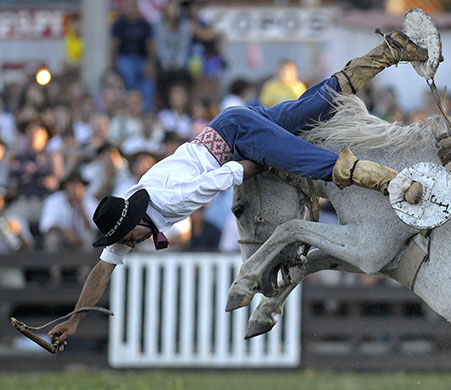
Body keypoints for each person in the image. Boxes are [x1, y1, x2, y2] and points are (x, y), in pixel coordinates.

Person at [48, 30, 431, 349]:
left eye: (127, 238)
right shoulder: (133, 210)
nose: (130, 244)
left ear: (131, 223)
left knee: (307, 161)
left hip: (238, 140)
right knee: (320, 103)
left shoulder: (169, 201)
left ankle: (391, 181)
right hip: (229, 125)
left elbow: (226, 176)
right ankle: (390, 50)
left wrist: (267, 161)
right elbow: (100, 272)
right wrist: (75, 320)